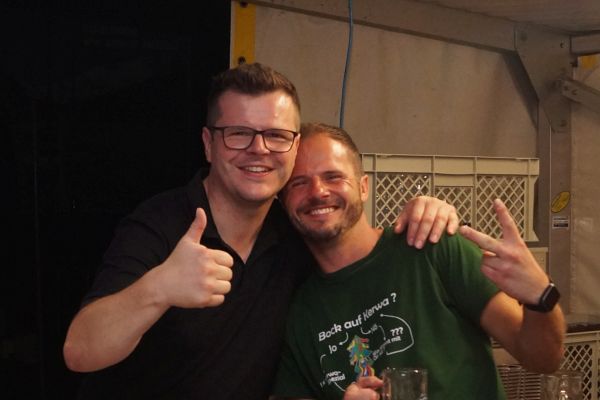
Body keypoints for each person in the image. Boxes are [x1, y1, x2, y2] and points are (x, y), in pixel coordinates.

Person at [62, 63, 459, 399]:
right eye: (238, 133)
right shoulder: (161, 223)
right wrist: (160, 287)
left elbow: (357, 243)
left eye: (276, 135)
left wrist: (429, 212)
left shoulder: (295, 230)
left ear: (294, 146)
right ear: (209, 144)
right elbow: (80, 351)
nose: (259, 149)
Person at [272, 123, 565, 400]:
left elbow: (544, 359)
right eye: (299, 183)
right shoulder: (298, 312)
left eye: (333, 177)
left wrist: (540, 296)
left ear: (363, 187)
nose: (318, 191)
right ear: (284, 203)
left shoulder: (432, 247)